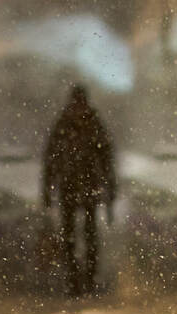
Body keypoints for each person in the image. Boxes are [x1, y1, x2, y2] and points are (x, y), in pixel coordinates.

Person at [42, 84, 116, 297]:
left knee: (89, 236)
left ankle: (89, 281)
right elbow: (51, 160)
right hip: (70, 188)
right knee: (70, 238)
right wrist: (48, 190)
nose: (78, 107)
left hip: (87, 187)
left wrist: (109, 190)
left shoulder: (91, 125)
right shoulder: (67, 125)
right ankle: (74, 282)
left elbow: (106, 160)